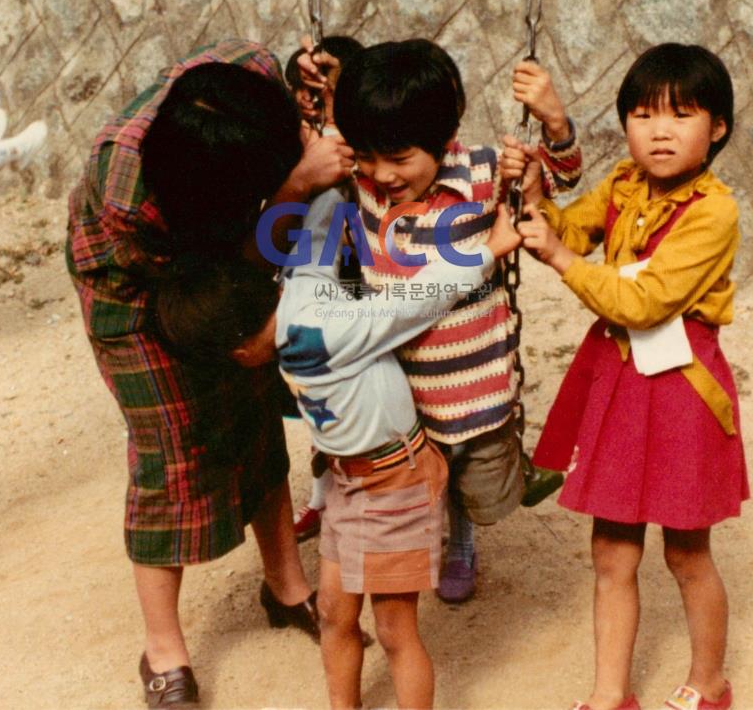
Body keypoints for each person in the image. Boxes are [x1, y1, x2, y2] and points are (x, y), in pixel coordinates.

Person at [65, 39, 354, 707]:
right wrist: (296, 186)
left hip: (214, 256)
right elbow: (218, 282)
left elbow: (268, 106)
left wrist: (301, 81)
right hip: (142, 294)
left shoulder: (242, 71)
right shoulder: (130, 207)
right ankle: (163, 647)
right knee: (170, 449)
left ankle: (286, 587)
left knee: (252, 414)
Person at [158, 188, 523, 709]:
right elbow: (322, 227)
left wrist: (488, 250)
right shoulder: (299, 283)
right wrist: (335, 181)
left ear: (239, 352)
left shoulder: (317, 330)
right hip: (349, 484)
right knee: (334, 613)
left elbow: (415, 301)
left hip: (396, 482)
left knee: (395, 630)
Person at [518, 43, 747, 710]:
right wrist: (535, 196)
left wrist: (560, 255)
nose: (660, 130)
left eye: (681, 114)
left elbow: (643, 301)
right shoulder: (623, 185)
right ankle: (609, 693)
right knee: (612, 551)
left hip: (681, 392)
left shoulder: (714, 212)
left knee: (685, 553)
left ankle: (710, 681)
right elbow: (568, 230)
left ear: (719, 128)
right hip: (621, 385)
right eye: (643, 114)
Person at [331, 39, 582, 603]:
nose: (382, 174)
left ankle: (470, 521)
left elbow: (558, 186)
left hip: (480, 388)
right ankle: (451, 538)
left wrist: (553, 126)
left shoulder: (484, 172)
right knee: (422, 480)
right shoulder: (359, 185)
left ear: (442, 143)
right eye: (369, 156)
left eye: (399, 159)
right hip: (403, 392)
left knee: (489, 497)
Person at [283, 33, 365, 542]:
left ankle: (453, 518)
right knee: (320, 405)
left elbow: (349, 166)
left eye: (325, 93)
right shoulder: (291, 138)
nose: (314, 106)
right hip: (306, 289)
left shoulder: (362, 135)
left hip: (361, 289)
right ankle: (322, 499)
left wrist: (334, 118)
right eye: (305, 93)